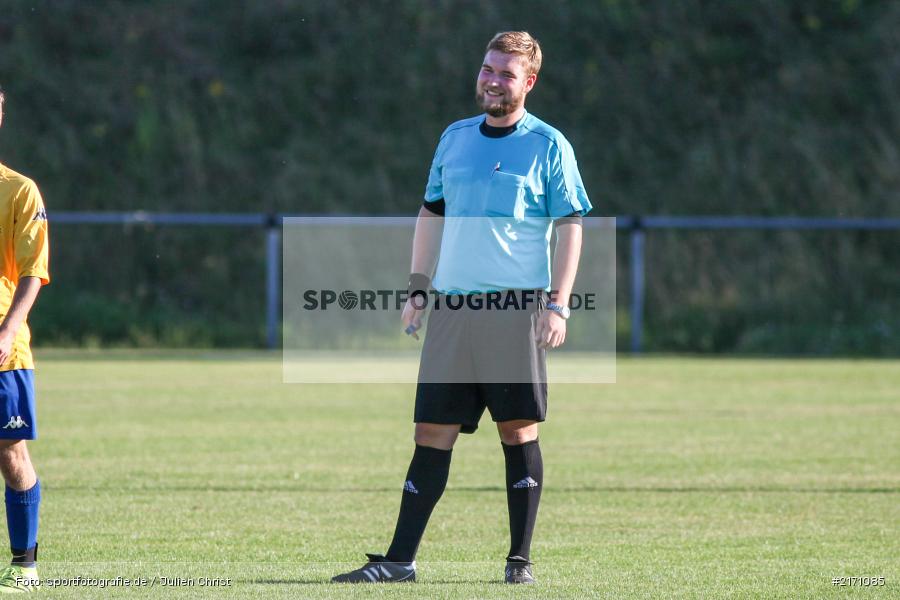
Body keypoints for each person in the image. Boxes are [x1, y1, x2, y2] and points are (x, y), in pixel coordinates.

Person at [332, 31, 590, 585]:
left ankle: (518, 563)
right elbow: (431, 215)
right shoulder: (453, 138)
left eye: (506, 74)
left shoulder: (549, 145)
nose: (493, 80)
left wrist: (558, 304)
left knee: (517, 432)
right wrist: (419, 288)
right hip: (452, 308)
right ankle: (399, 562)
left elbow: (571, 226)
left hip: (515, 310)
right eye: (488, 69)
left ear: (529, 83)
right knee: (431, 430)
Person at [0, 86, 50, 593]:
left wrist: (8, 329)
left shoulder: (18, 190)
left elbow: (33, 270)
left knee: (10, 454)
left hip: (3, 351)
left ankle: (24, 565)